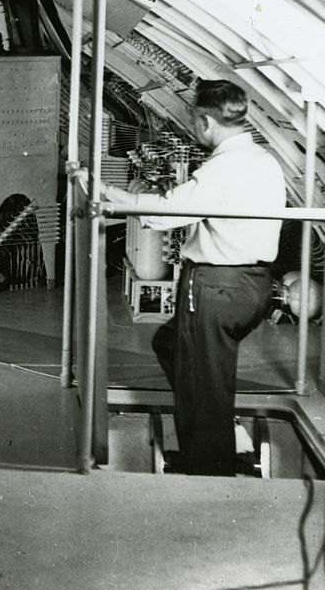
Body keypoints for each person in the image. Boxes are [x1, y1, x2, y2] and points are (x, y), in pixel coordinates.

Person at [77, 79, 284, 476]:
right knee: (170, 344)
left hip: (216, 285)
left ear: (206, 121)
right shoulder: (266, 161)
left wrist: (106, 193)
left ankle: (208, 472)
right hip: (254, 285)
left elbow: (165, 214)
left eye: (194, 121)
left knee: (202, 382)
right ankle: (222, 433)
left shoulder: (223, 169)